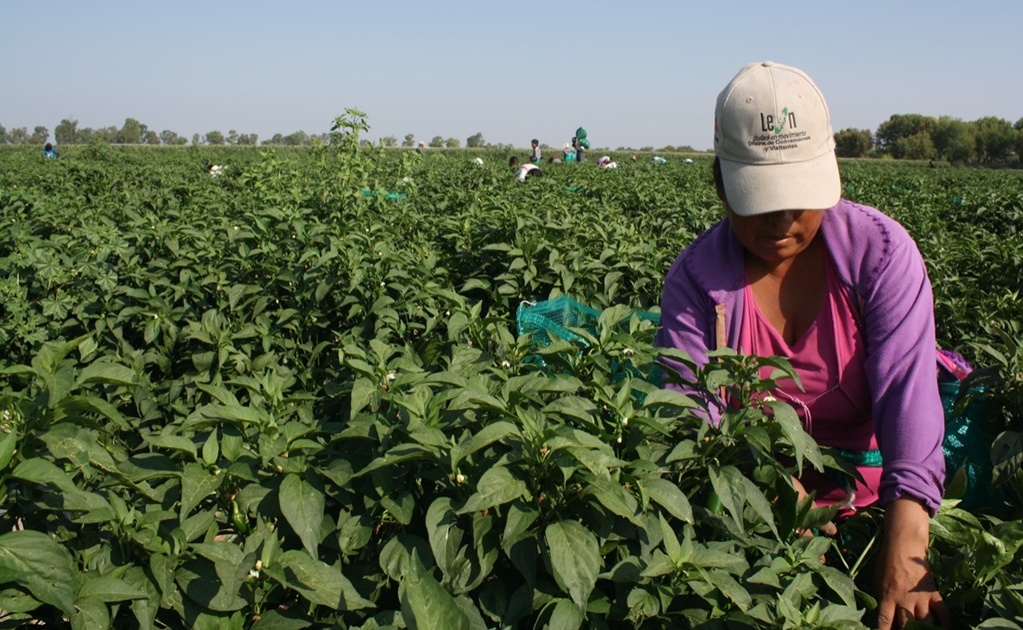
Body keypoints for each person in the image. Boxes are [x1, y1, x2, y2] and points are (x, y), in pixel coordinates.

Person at [655, 61, 949, 630]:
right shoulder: (696, 281)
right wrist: (765, 483)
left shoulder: (879, 256)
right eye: (759, 198)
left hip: (876, 492)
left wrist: (908, 537)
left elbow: (908, 393)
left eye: (800, 196)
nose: (782, 220)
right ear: (720, 184)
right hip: (751, 504)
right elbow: (693, 416)